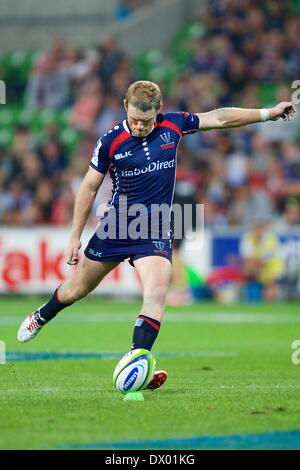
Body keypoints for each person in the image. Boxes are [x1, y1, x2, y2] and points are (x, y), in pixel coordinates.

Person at [17, 80, 296, 391]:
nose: (139, 126)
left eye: (146, 121)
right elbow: (88, 187)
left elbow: (219, 118)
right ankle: (41, 315)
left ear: (158, 112)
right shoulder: (110, 141)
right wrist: (74, 236)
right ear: (126, 106)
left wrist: (267, 113)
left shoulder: (173, 126)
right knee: (75, 290)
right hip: (117, 226)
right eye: (135, 119)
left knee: (156, 294)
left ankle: (138, 360)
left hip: (155, 228)